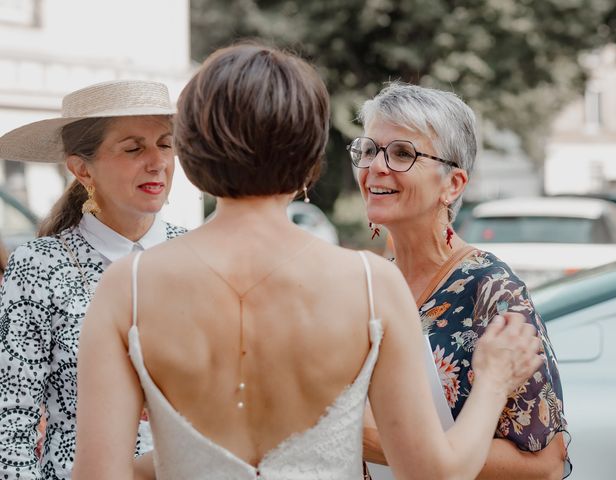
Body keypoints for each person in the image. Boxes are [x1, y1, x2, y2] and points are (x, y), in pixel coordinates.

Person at [72, 43, 541, 480]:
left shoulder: (127, 287)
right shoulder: (371, 285)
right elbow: (436, 473)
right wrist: (495, 380)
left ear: (191, 151)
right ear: (309, 159)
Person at [349, 82, 571, 478]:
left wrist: (376, 441)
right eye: (368, 150)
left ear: (452, 185)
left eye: (402, 153)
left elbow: (548, 463)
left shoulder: (491, 290)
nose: (376, 166)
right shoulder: (362, 283)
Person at [0, 79, 186, 479]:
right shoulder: (39, 265)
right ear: (82, 168)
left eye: (165, 144)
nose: (157, 161)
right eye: (134, 148)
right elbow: (11, 419)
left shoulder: (198, 255)